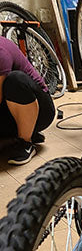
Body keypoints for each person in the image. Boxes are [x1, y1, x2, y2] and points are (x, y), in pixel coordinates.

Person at [0, 35, 55, 165]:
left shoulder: (1, 52)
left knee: (15, 81)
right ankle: (17, 134)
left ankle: (25, 142)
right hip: (9, 111)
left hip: (41, 112)